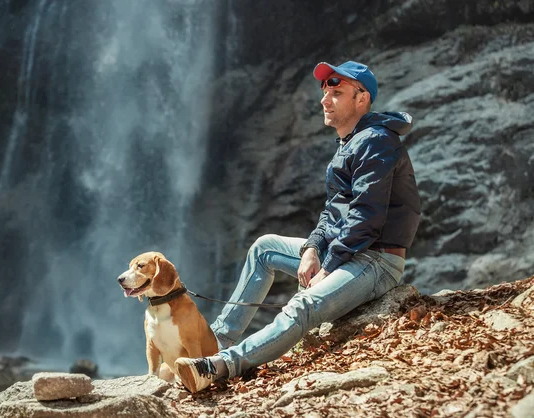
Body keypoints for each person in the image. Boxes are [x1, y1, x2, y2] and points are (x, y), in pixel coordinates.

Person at [174, 60, 421, 393]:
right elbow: (333, 212)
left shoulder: (376, 141)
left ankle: (217, 367)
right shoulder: (351, 143)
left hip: (376, 261)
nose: (325, 99)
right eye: (324, 92)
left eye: (336, 92)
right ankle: (214, 341)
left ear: (362, 99)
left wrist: (329, 266)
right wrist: (312, 248)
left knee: (301, 306)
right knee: (265, 248)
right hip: (350, 253)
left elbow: (367, 216)